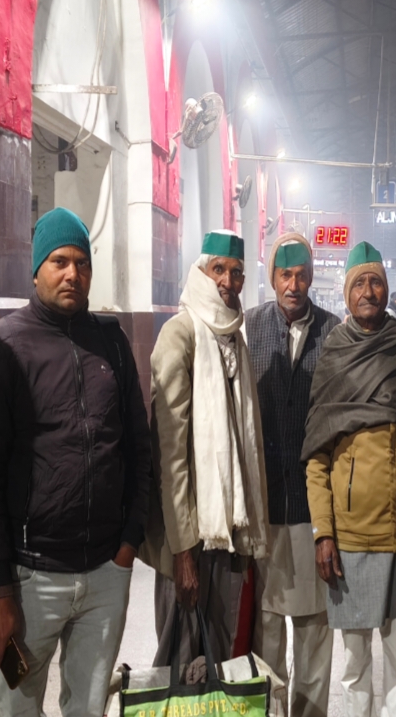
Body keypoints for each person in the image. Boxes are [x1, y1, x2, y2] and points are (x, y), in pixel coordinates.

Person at [0, 208, 152, 716]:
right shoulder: (4, 345)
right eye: (59, 261)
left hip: (105, 572)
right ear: (36, 270)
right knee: (18, 709)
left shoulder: (111, 341)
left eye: (82, 263)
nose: (73, 273)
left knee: (87, 708)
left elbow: (138, 445)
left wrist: (129, 542)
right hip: (31, 579)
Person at [303, 241, 396, 717]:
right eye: (359, 283)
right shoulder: (334, 356)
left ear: (387, 288)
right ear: (347, 293)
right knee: (355, 661)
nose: (368, 291)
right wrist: (323, 532)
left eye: (376, 281)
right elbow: (317, 457)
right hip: (349, 539)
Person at [142, 229, 269, 668]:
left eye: (237, 273)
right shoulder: (180, 335)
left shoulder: (234, 338)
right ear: (201, 271)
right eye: (219, 269)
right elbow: (170, 456)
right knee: (181, 665)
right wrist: (183, 553)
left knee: (222, 660)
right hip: (191, 540)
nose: (228, 281)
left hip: (229, 538)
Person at [244, 233, 338, 717]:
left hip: (312, 510)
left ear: (311, 276)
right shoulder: (248, 327)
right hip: (263, 511)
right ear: (272, 277)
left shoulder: (333, 332)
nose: (294, 285)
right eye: (285, 275)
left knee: (314, 633)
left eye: (302, 275)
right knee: (265, 634)